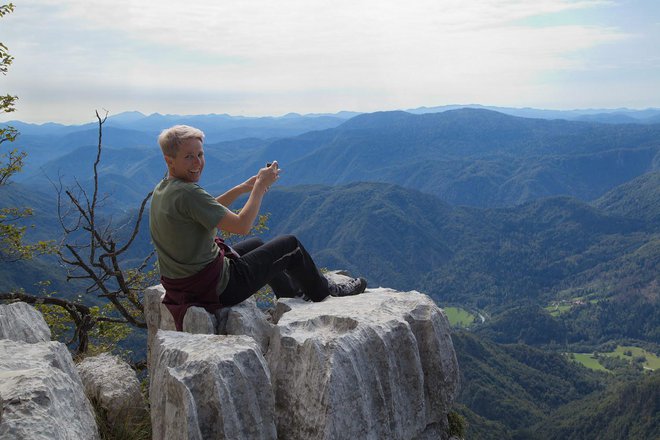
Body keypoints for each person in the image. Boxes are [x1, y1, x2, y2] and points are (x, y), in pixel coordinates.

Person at [149, 125, 367, 330]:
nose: (197, 162)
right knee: (291, 245)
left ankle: (291, 293)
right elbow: (242, 225)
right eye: (189, 157)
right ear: (170, 161)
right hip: (219, 287)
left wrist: (244, 188)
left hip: (186, 283)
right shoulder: (188, 193)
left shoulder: (166, 188)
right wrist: (261, 186)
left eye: (200, 154)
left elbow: (206, 210)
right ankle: (324, 292)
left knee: (257, 245)